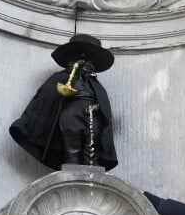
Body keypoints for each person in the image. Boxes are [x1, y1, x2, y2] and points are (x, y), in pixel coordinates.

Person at [10, 34, 117, 171]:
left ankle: (92, 168)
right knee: (72, 147)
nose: (83, 62)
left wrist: (97, 107)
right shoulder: (61, 78)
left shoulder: (95, 85)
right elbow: (45, 98)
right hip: (70, 115)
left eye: (88, 59)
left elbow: (104, 106)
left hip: (92, 115)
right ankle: (72, 169)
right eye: (80, 58)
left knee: (93, 143)